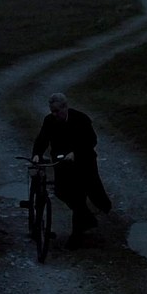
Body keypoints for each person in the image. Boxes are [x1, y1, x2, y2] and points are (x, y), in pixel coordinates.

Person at [32, 93, 111, 249]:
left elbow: (91, 140)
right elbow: (42, 138)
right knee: (61, 192)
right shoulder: (49, 121)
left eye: (57, 111)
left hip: (83, 162)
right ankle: (87, 218)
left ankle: (76, 236)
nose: (54, 114)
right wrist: (36, 154)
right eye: (52, 111)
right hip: (61, 162)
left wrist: (76, 152)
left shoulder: (81, 119)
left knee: (79, 195)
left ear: (65, 107)